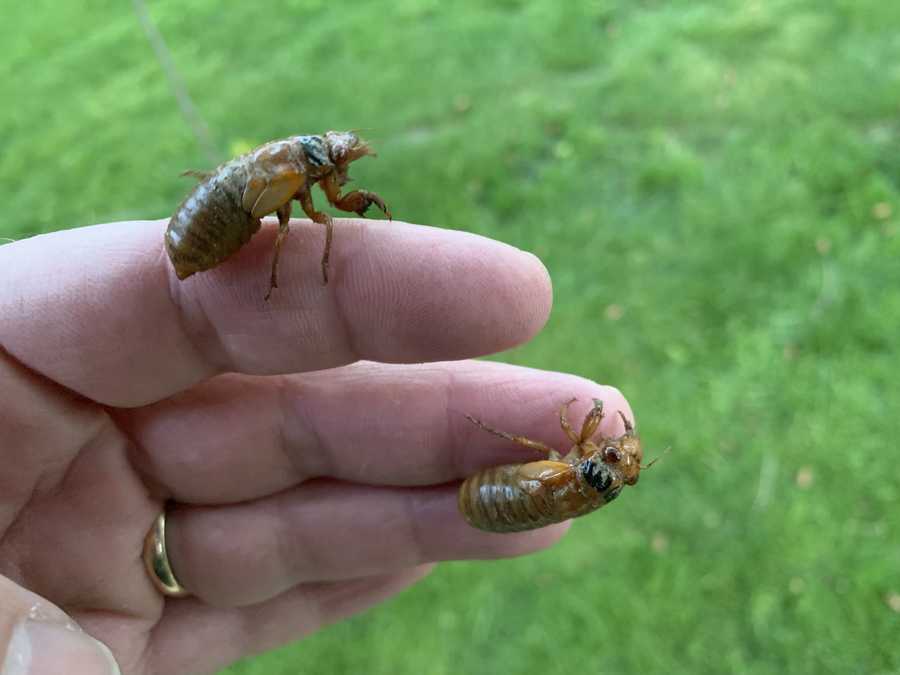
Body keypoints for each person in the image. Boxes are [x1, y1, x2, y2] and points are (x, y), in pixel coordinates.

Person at [0, 217, 634, 675]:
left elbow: (539, 445)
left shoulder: (569, 466)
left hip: (503, 493)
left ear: (592, 467)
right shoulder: (576, 476)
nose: (614, 451)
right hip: (504, 497)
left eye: (613, 460)